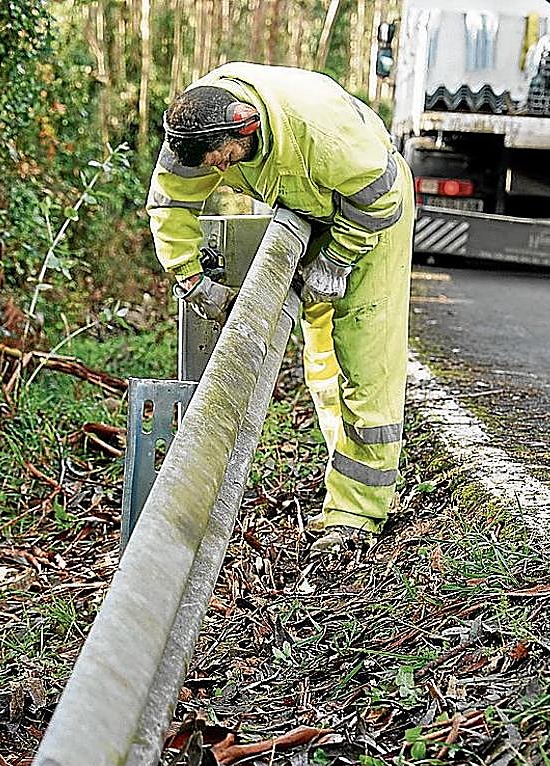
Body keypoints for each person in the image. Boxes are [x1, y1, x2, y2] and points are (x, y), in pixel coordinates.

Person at [145, 62, 414, 555]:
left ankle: (360, 513)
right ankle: (342, 471)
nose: (219, 172)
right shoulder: (195, 124)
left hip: (371, 216)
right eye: (211, 165)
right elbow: (170, 205)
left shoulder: (320, 132)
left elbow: (381, 197)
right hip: (312, 210)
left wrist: (336, 260)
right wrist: (191, 280)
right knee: (322, 362)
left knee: (366, 359)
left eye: (224, 159)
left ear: (246, 125)